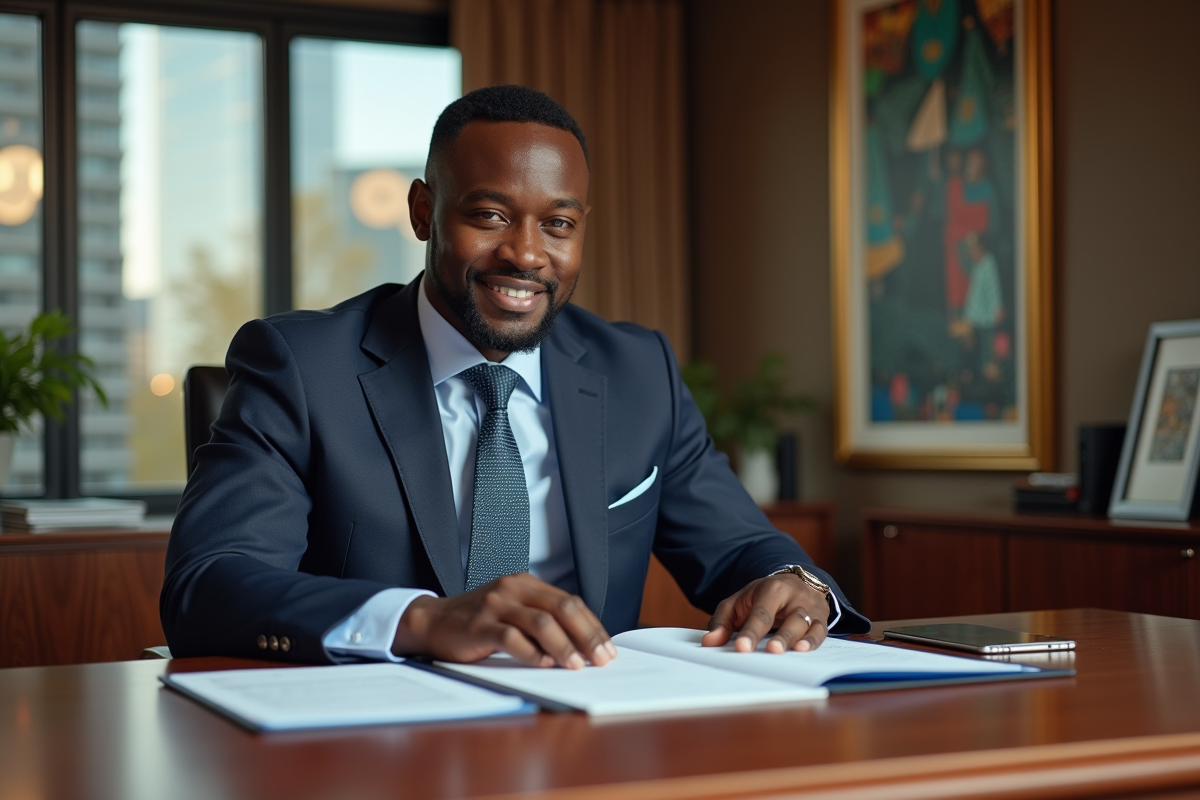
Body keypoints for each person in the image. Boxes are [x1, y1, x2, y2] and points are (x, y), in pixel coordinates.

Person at [161, 86, 869, 671]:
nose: (526, 254)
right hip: (368, 740)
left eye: (557, 224)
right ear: (422, 211)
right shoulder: (302, 365)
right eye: (489, 215)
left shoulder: (637, 373)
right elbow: (208, 583)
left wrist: (793, 584)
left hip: (586, 739)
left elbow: (741, 547)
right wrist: (422, 620)